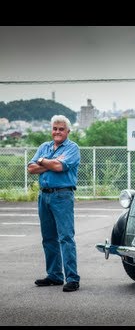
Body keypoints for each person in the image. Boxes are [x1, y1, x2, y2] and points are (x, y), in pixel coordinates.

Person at [27, 115, 81, 292]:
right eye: (55, 129)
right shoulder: (44, 146)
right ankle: (55, 275)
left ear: (68, 131)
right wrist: (50, 163)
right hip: (44, 196)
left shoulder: (73, 148)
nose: (57, 132)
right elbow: (30, 168)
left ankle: (72, 278)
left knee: (66, 237)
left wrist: (42, 161)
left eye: (61, 129)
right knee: (48, 237)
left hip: (62, 196)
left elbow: (59, 167)